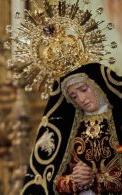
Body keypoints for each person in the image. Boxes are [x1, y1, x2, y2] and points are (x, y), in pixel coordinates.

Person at [21, 63, 122, 195]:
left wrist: (95, 179)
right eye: (74, 96)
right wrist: (74, 181)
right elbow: (53, 180)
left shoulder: (118, 120)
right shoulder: (71, 129)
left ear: (97, 85)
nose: (81, 99)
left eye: (84, 89)